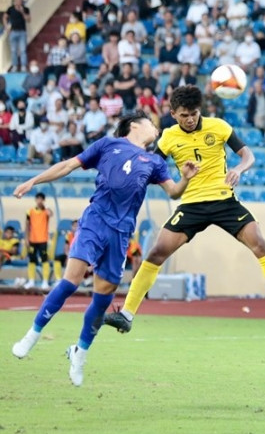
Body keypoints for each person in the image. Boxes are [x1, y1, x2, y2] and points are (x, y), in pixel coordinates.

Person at [10, 111, 199, 386]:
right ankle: (31, 335)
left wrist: (186, 178)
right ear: (134, 125)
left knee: (102, 300)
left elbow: (173, 192)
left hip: (121, 234)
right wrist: (33, 181)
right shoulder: (107, 144)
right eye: (151, 123)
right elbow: (67, 165)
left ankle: (79, 354)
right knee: (71, 280)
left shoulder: (155, 161)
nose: (155, 129)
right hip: (95, 219)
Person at [103, 86, 265, 333]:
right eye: (184, 115)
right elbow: (151, 167)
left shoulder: (219, 127)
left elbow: (248, 156)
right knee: (156, 253)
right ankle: (126, 315)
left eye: (194, 113)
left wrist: (238, 169)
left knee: (260, 243)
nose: (190, 119)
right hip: (191, 204)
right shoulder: (168, 137)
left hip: (224, 200)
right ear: (173, 113)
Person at [24, 192, 53, 289]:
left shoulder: (46, 211)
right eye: (38, 199)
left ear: (43, 200)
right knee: (32, 260)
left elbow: (50, 214)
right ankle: (31, 281)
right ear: (35, 200)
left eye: (41, 199)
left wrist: (45, 206)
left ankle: (45, 281)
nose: (39, 201)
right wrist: (26, 239)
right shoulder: (30, 211)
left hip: (43, 240)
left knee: (44, 260)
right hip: (32, 239)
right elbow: (27, 226)